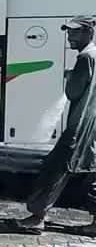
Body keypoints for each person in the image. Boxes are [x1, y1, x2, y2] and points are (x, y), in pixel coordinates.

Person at [16, 15, 96, 235]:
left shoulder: (86, 58)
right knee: (93, 174)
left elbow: (73, 92)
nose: (69, 36)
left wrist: (70, 76)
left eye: (75, 32)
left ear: (89, 32)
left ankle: (37, 217)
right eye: (68, 31)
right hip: (93, 126)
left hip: (81, 126)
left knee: (55, 168)